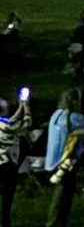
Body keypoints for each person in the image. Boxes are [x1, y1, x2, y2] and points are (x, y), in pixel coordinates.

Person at [40, 90, 84, 227]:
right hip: (65, 162)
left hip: (53, 161)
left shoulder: (56, 115)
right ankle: (53, 222)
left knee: (64, 194)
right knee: (62, 196)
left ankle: (60, 221)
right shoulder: (72, 118)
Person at [0, 85, 30, 227]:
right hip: (7, 166)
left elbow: (11, 119)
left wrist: (20, 107)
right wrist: (26, 107)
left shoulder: (4, 124)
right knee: (6, 201)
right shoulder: (8, 125)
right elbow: (27, 123)